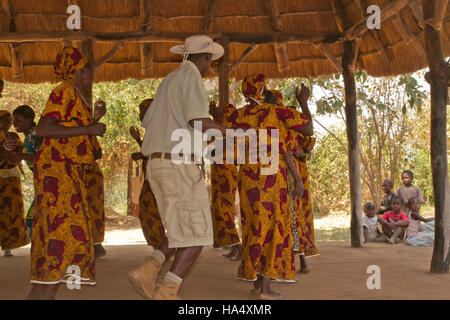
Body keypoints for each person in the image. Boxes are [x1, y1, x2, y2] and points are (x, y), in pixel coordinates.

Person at [128, 35, 228, 300]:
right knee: (198, 235)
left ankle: (150, 270)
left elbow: (149, 120)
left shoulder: (169, 80)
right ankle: (167, 290)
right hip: (178, 164)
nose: (210, 66)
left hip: (158, 165)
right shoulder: (192, 77)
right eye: (210, 60)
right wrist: (228, 131)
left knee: (180, 229)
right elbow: (197, 121)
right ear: (204, 58)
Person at [27, 47, 106, 300]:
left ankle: (40, 292)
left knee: (61, 235)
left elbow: (71, 128)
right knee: (65, 237)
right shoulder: (63, 90)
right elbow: (44, 129)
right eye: (85, 69)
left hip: (68, 172)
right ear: (74, 70)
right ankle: (46, 290)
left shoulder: (74, 95)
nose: (89, 74)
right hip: (58, 173)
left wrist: (92, 120)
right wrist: (91, 127)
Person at [235, 80, 313, 300]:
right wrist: (303, 102)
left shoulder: (241, 115)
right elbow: (307, 128)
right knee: (270, 230)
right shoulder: (276, 112)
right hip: (271, 180)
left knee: (253, 227)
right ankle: (265, 289)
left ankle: (257, 282)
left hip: (248, 179)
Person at [265, 89, 319, 273]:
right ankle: (282, 263)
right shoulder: (267, 122)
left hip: (291, 174)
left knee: (294, 216)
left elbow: (304, 146)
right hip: (277, 175)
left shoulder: (285, 123)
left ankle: (300, 261)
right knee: (286, 217)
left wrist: (299, 155)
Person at [129, 99, 166, 249]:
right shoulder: (156, 128)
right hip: (153, 175)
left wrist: (140, 151)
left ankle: (161, 245)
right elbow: (149, 151)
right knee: (149, 210)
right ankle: (160, 244)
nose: (140, 115)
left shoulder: (160, 129)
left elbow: (156, 152)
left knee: (148, 211)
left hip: (158, 177)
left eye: (142, 112)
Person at [209, 102, 242, 261]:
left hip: (226, 173)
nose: (217, 111)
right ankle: (232, 245)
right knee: (218, 209)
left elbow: (217, 150)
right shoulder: (218, 129)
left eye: (221, 111)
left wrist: (216, 120)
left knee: (224, 210)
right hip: (217, 172)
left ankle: (237, 245)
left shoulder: (231, 131)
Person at [0, 110, 30, 257]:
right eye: (4, 120)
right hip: (1, 179)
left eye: (9, 121)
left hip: (12, 179)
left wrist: (20, 166)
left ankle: (9, 244)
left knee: (13, 211)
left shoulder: (13, 136)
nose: (8, 123)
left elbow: (19, 154)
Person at [12, 105, 42, 239]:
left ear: (30, 120)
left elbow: (46, 156)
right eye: (13, 121)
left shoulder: (35, 135)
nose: (14, 124)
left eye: (18, 121)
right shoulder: (27, 137)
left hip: (48, 177)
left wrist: (22, 156)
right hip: (40, 179)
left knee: (34, 216)